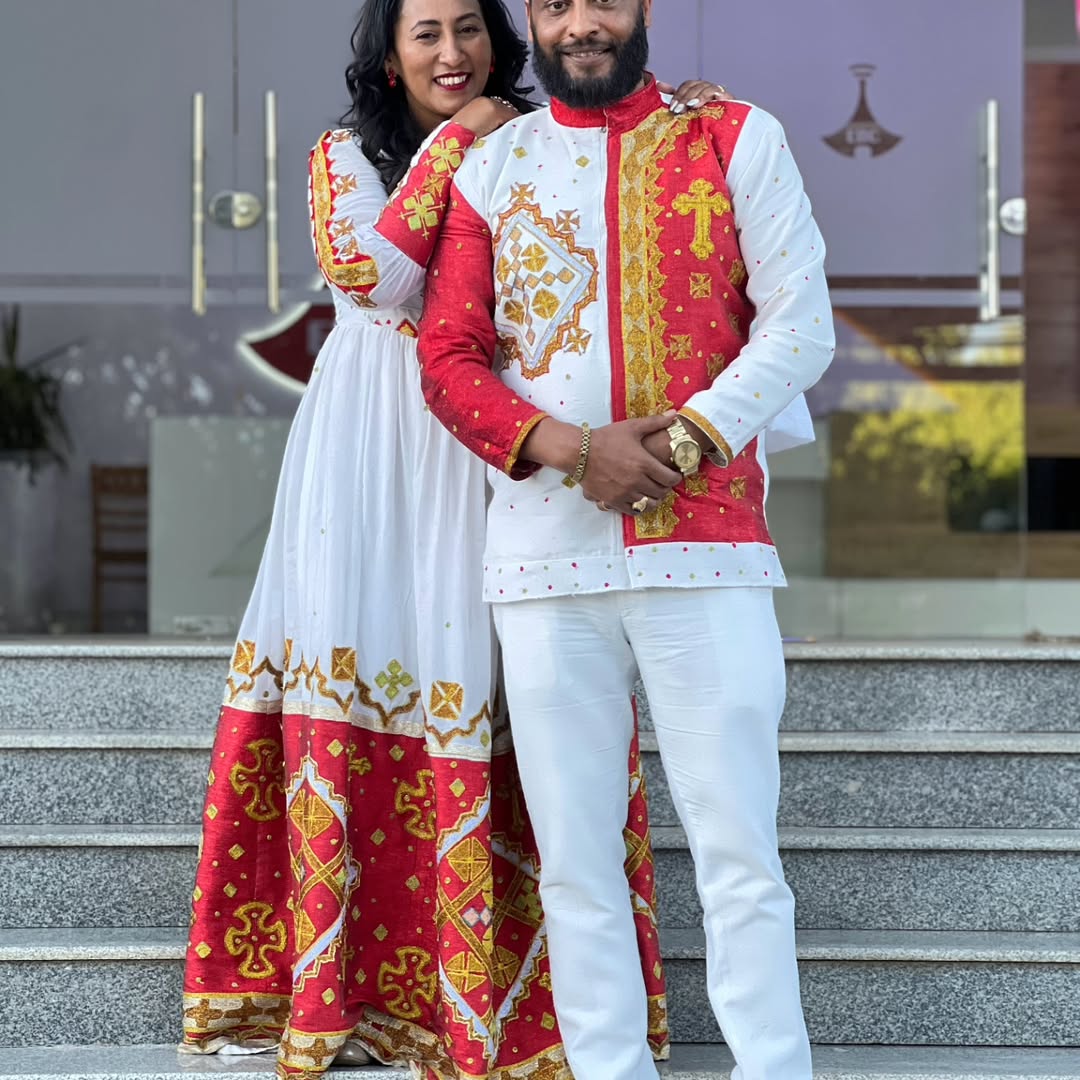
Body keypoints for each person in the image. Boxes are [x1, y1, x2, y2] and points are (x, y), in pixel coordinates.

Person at [179, 1, 728, 1076]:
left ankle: (505, 1000)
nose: (450, 52)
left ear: (498, 41)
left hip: (497, 437)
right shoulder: (346, 152)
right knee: (369, 663)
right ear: (388, 55)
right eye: (424, 32)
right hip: (371, 448)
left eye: (468, 29)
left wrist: (675, 117)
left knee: (504, 673)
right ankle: (355, 993)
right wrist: (459, 138)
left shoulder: (537, 135)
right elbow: (367, 278)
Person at [416, 1, 836, 1077]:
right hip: (544, 560)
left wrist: (689, 440)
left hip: (709, 553)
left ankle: (775, 1067)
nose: (583, 22)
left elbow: (799, 323)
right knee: (575, 863)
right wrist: (569, 448)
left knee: (740, 850)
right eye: (556, 3)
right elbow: (449, 356)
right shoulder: (490, 166)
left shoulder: (737, 134)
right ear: (533, 20)